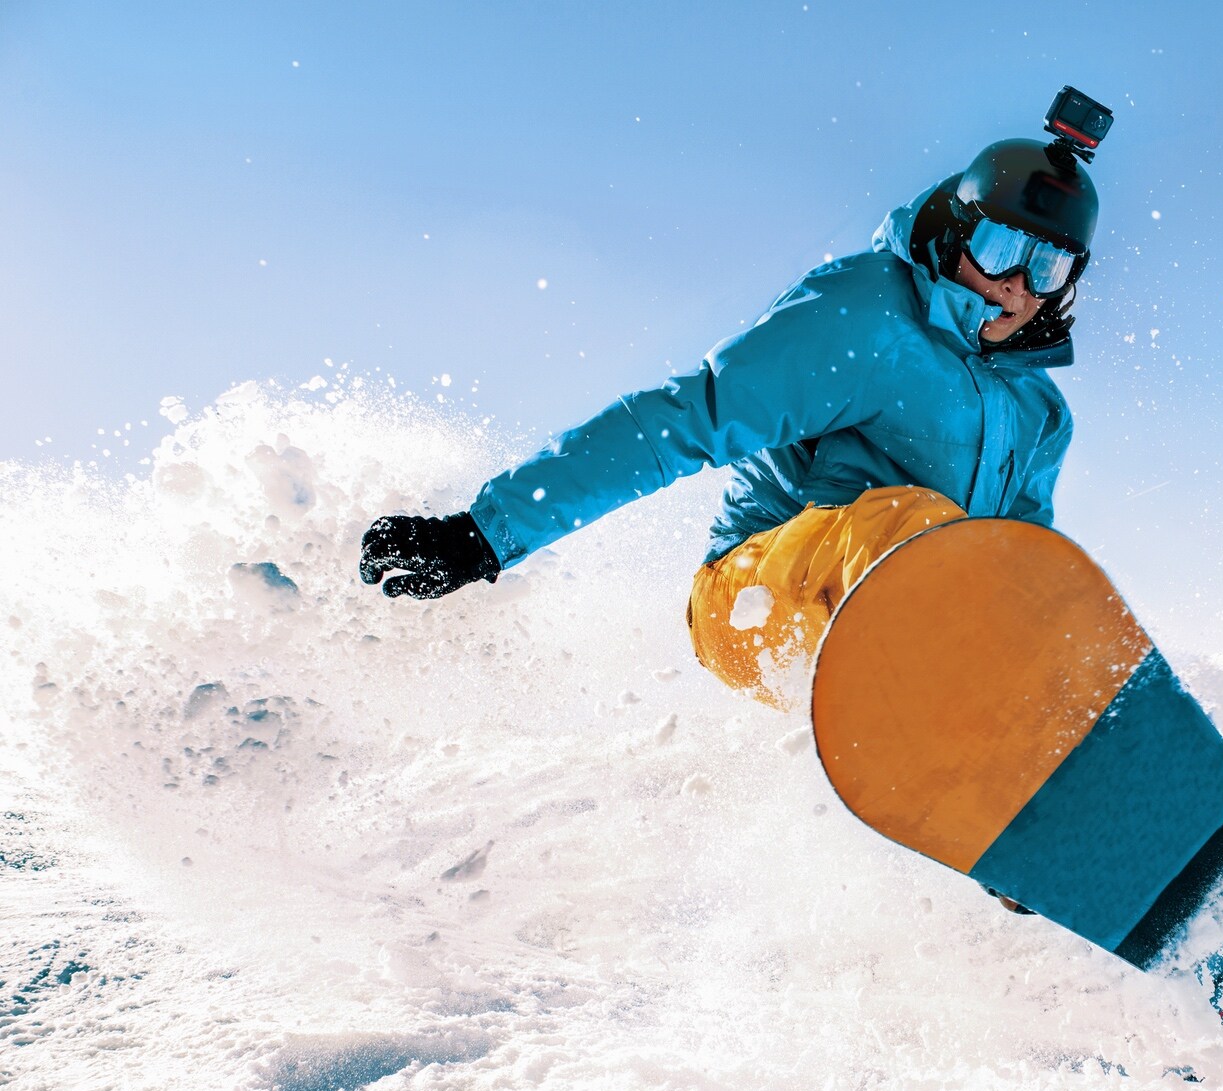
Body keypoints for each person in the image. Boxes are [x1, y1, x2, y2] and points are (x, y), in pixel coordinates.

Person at [358, 89, 1111, 709]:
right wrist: (483, 535)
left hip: (900, 638)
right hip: (750, 598)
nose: (1018, 284)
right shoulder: (870, 315)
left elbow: (1018, 563)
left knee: (1049, 597)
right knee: (915, 527)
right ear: (957, 229)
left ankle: (1034, 816)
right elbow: (688, 417)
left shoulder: (1040, 411)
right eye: (1005, 249)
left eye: (1046, 265)